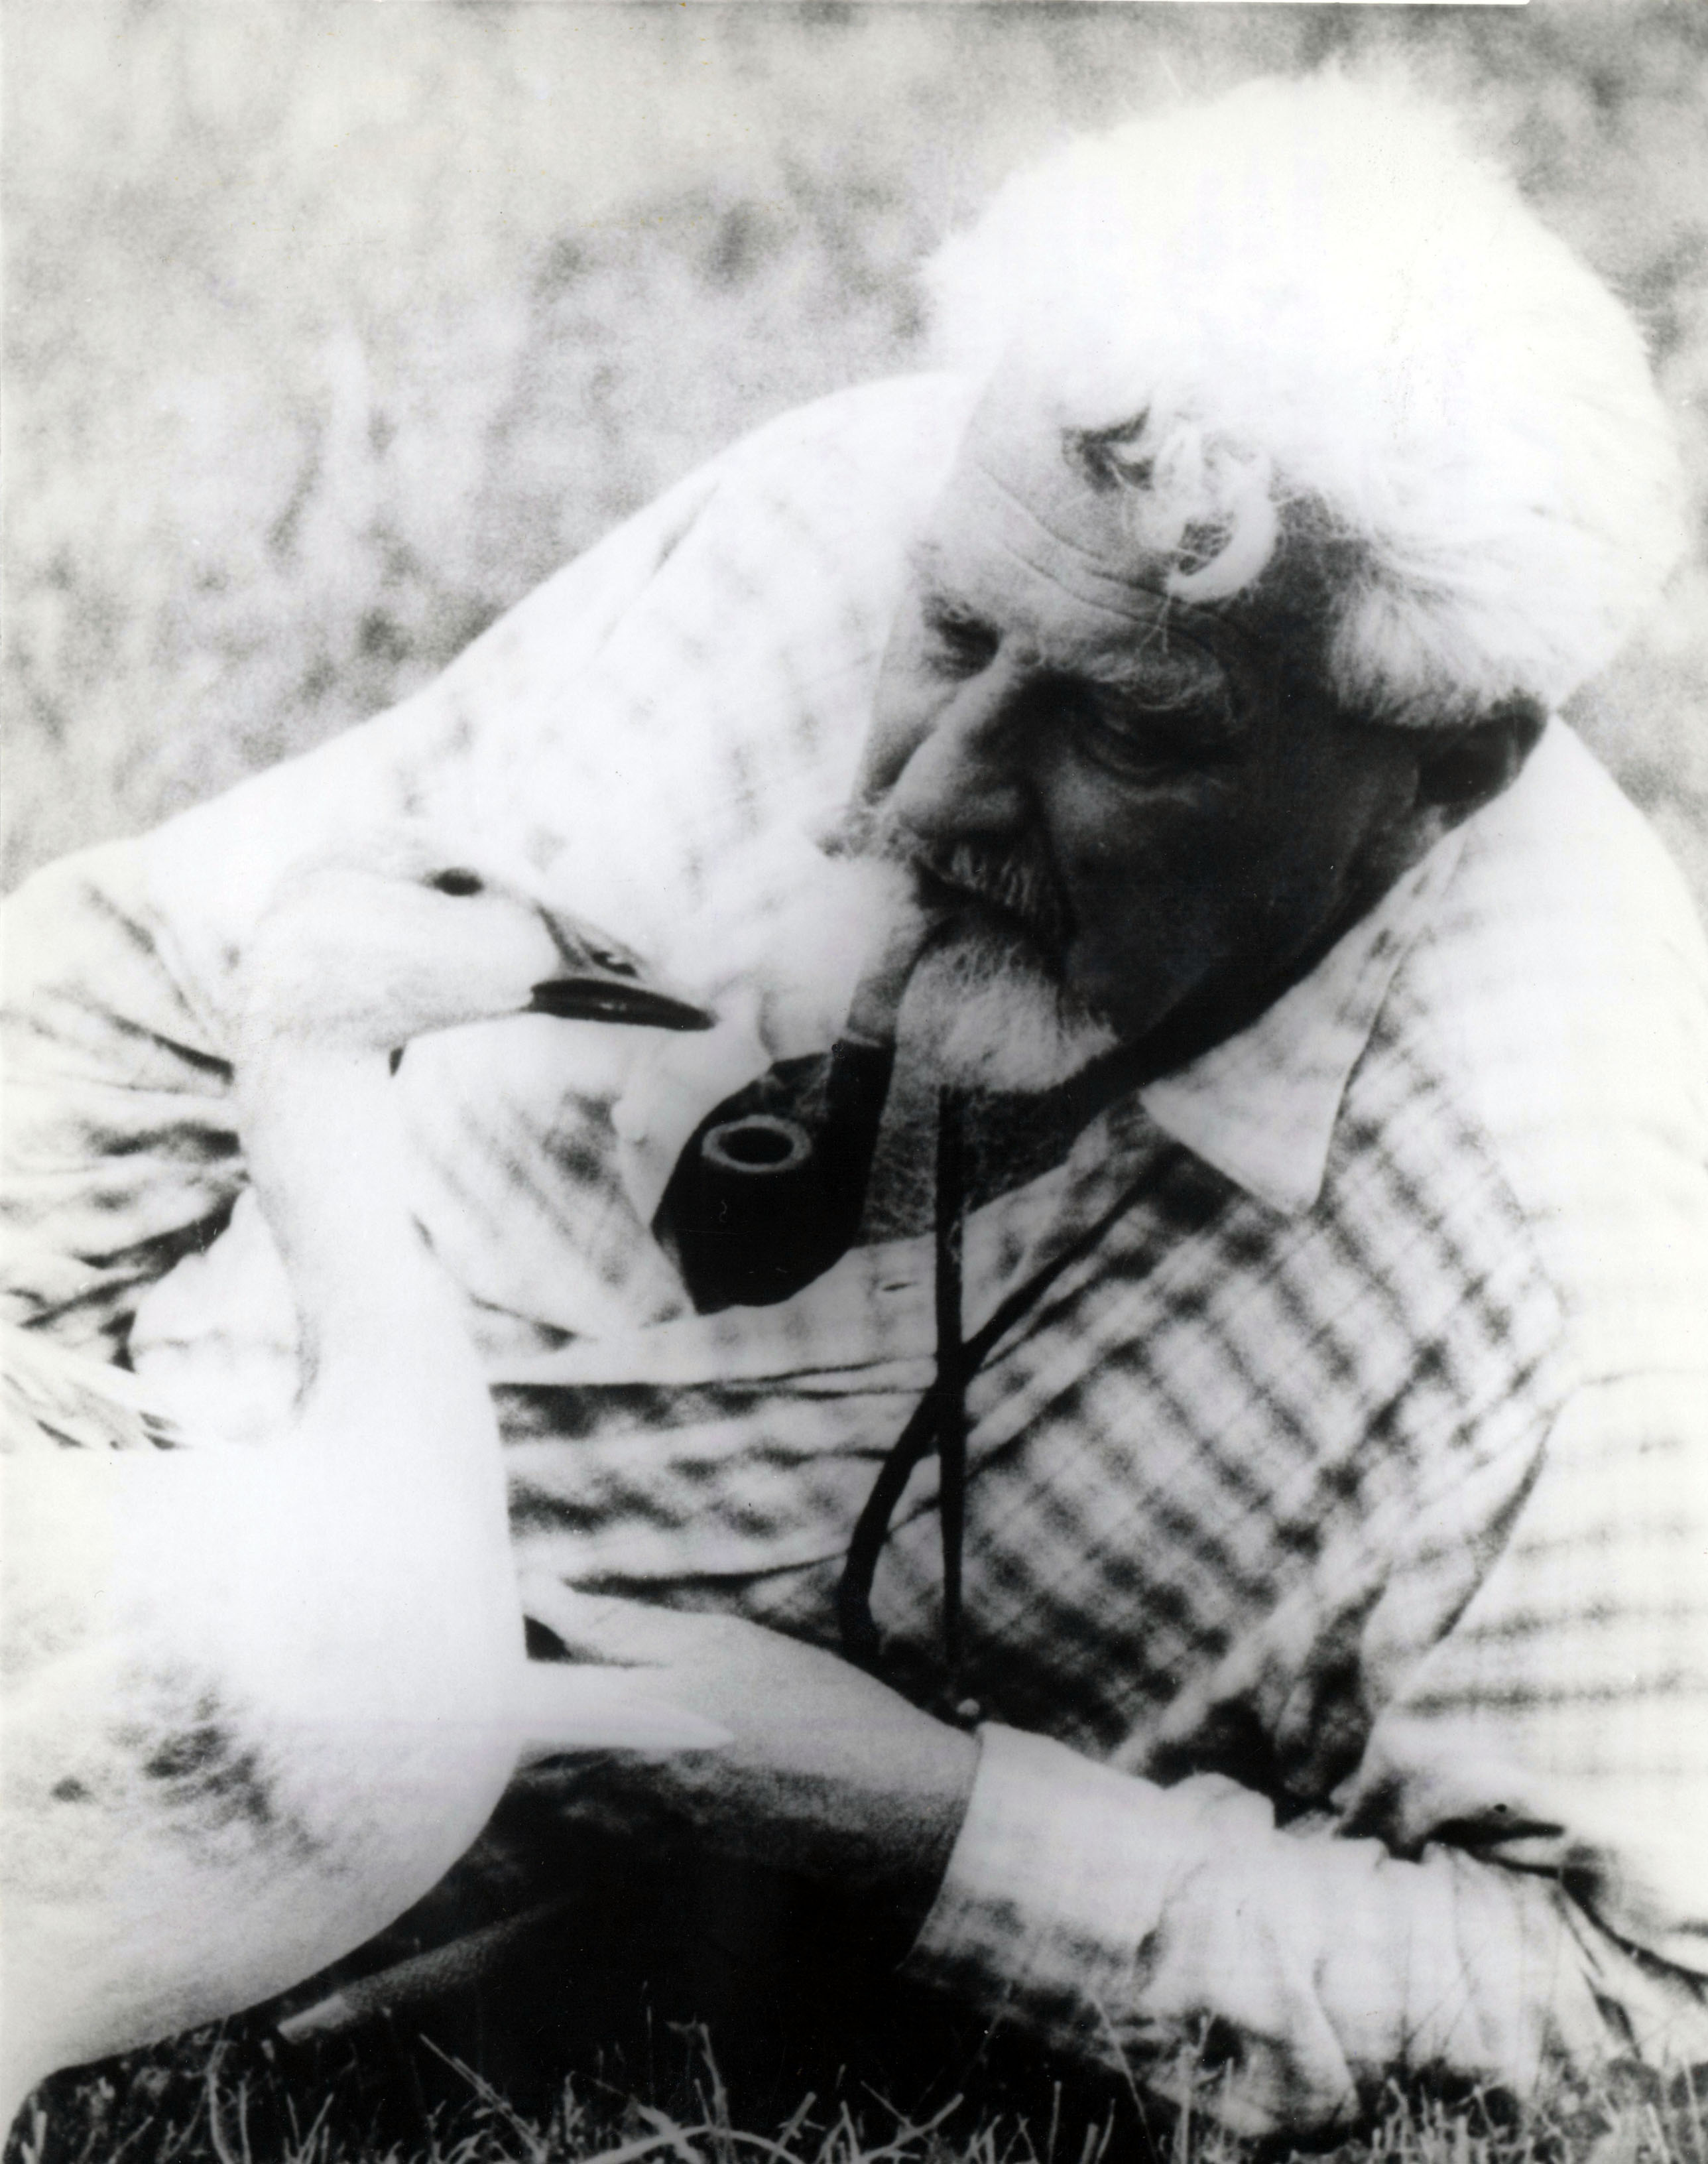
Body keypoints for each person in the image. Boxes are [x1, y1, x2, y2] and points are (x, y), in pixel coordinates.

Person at [5, 74, 1707, 2137]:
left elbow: (1633, 2007)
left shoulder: (1564, 1253)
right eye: (953, 634)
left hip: (457, 1976)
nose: (930, 784)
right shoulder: (854, 521)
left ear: (1443, 780)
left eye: (1129, 729)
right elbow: (142, 993)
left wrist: (915, 1826)